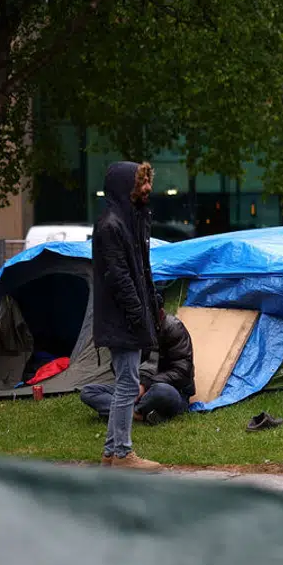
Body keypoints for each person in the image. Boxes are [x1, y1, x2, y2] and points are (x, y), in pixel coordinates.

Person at [92, 160, 163, 469]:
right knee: (128, 384)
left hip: (129, 315)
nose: (147, 188)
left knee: (126, 381)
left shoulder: (130, 221)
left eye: (147, 181)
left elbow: (141, 270)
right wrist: (138, 314)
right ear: (125, 186)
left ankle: (111, 452)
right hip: (121, 318)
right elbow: (119, 277)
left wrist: (154, 303)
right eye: (140, 182)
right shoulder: (111, 225)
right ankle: (122, 453)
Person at [80, 312, 195, 425]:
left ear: (159, 313)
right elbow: (118, 369)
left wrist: (144, 385)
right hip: (134, 389)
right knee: (88, 391)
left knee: (164, 391)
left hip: (169, 390)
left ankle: (121, 410)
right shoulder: (134, 330)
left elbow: (182, 372)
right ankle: (138, 415)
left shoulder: (174, 328)